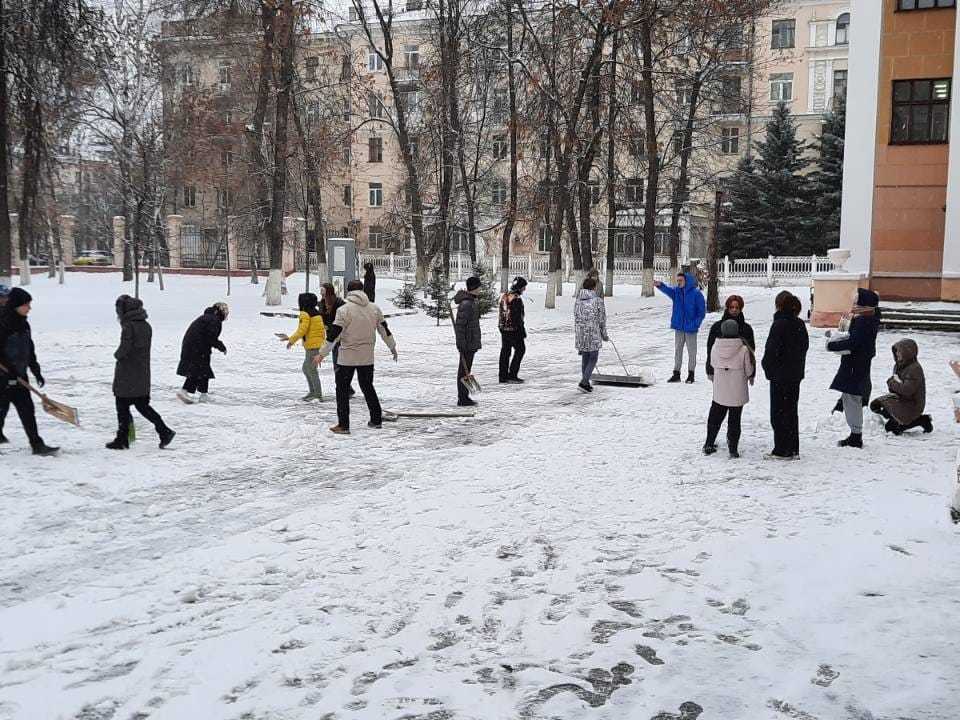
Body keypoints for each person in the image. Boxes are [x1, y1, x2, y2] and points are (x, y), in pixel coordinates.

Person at [312, 279, 397, 434]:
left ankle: (343, 425)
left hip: (347, 357)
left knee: (342, 390)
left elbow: (334, 334)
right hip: (367, 357)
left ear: (348, 291)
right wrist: (392, 346)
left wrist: (321, 354)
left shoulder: (344, 310)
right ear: (363, 289)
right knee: (368, 387)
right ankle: (376, 419)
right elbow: (384, 329)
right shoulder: (374, 309)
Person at [107, 295, 176, 450]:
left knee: (122, 406)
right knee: (143, 406)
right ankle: (163, 430)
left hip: (127, 374)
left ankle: (122, 439)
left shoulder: (128, 326)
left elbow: (125, 348)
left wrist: (117, 355)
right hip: (142, 372)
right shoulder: (146, 325)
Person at [0, 288, 59, 455]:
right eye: (26, 304)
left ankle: (37, 444)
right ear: (16, 305)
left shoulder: (24, 324)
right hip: (3, 378)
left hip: (20, 376)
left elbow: (28, 349)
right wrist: (9, 369)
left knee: (27, 411)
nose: (29, 308)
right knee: (1, 409)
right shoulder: (3, 324)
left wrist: (36, 370)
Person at [826, 288, 880, 448]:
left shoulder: (864, 321)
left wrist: (833, 345)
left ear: (863, 304)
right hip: (858, 363)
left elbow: (854, 343)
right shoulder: (867, 318)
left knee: (852, 399)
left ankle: (856, 435)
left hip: (855, 365)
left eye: (856, 302)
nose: (853, 304)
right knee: (851, 398)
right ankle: (855, 433)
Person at [761, 291, 809, 459]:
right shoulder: (799, 324)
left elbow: (771, 351)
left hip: (780, 376)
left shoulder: (779, 325)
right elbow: (804, 347)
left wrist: (767, 367)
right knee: (791, 412)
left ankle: (782, 449)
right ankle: (793, 447)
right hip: (795, 375)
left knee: (779, 413)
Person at [704, 319, 755, 458]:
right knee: (735, 419)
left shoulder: (715, 346)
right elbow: (749, 369)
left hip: (721, 388)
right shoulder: (743, 349)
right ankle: (733, 448)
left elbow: (713, 363)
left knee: (715, 416)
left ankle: (709, 442)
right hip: (737, 389)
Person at [869, 339, 932, 435]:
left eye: (900, 351)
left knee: (891, 429)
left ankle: (920, 420)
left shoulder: (915, 369)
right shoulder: (899, 365)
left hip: (912, 405)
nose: (897, 353)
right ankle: (896, 418)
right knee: (875, 405)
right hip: (901, 400)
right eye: (896, 351)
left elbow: (907, 390)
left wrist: (891, 382)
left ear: (908, 353)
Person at [654, 271, 706, 383]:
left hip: (691, 328)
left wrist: (695, 324)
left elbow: (701, 312)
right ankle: (676, 373)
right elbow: (668, 291)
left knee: (692, 352)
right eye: (677, 280)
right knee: (678, 351)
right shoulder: (676, 292)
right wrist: (660, 285)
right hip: (679, 327)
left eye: (680, 280)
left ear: (686, 281)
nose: (678, 282)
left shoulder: (696, 294)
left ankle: (691, 374)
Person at [176, 302, 228, 404]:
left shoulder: (208, 317)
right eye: (225, 311)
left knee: (203, 371)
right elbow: (211, 337)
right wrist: (221, 347)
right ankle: (184, 390)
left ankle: (203, 394)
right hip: (197, 348)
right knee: (198, 370)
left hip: (195, 347)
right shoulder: (214, 320)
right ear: (220, 311)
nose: (226, 314)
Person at [277, 292, 326, 401]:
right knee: (306, 369)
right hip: (317, 344)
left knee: (311, 370)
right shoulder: (315, 313)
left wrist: (291, 341)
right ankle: (313, 391)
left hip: (313, 346)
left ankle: (317, 394)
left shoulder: (305, 314)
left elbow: (302, 330)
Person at [705, 294, 755, 382]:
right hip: (720, 371)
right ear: (727, 308)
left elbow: (751, 351)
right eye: (732, 307)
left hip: (740, 372)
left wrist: (751, 373)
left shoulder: (747, 329)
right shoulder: (717, 327)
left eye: (737, 307)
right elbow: (710, 350)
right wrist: (710, 370)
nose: (734, 310)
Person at [320, 283, 355, 397]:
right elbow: (323, 318)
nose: (321, 293)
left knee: (338, 365)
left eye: (323, 291)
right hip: (332, 336)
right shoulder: (323, 303)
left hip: (340, 337)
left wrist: (330, 326)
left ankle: (343, 388)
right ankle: (346, 388)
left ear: (329, 292)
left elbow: (340, 321)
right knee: (338, 364)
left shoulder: (339, 304)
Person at [574, 276, 608, 393]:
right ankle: (583, 383)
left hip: (581, 334)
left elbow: (576, 318)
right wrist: (604, 334)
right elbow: (602, 319)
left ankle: (586, 382)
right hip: (593, 334)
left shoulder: (578, 301)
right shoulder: (598, 301)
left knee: (585, 358)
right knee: (593, 358)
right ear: (593, 288)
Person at [453, 276, 483, 407]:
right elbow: (460, 326)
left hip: (470, 342)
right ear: (474, 288)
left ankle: (464, 396)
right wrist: (461, 344)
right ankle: (463, 398)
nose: (480, 289)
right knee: (463, 371)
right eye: (479, 287)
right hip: (466, 343)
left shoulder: (470, 302)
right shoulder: (466, 304)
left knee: (466, 370)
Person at [498, 276, 527, 383]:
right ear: (519, 287)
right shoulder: (516, 299)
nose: (524, 289)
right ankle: (512, 374)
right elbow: (516, 318)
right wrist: (521, 331)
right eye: (523, 287)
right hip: (513, 329)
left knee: (505, 351)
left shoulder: (505, 296)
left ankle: (503, 375)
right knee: (520, 350)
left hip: (503, 328)